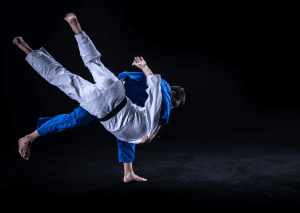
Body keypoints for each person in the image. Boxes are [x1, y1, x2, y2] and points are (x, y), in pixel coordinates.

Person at [13, 13, 185, 183]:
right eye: (176, 104)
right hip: (102, 106)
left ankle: (77, 30)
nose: (172, 107)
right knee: (62, 80)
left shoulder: (154, 87)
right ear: (173, 93)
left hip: (116, 89)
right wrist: (151, 136)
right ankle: (29, 136)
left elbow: (125, 76)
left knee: (93, 62)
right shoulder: (166, 93)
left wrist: (143, 70)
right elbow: (160, 114)